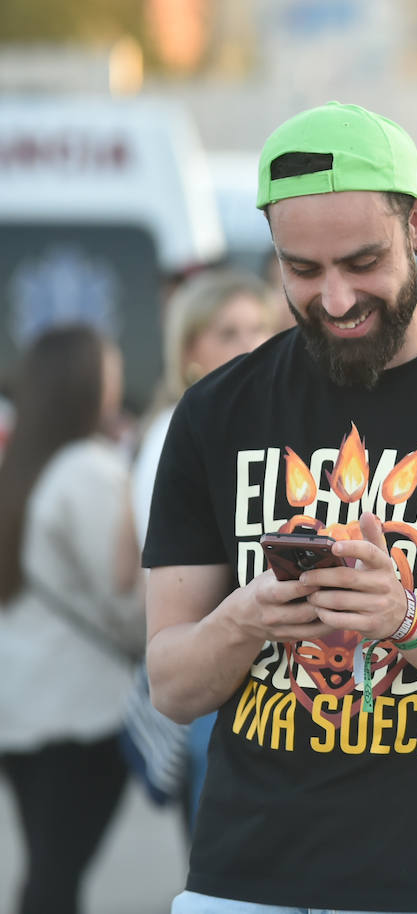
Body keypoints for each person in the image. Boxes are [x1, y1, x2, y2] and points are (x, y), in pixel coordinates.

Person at [142, 102, 417, 914]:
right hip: (245, 883)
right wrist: (245, 619)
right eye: (303, 271)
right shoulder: (216, 413)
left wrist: (407, 619)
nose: (338, 297)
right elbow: (171, 684)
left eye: (363, 261)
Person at [0, 325, 144, 914]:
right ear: (87, 383)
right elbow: (124, 600)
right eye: (110, 368)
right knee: (56, 876)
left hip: (19, 711)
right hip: (80, 714)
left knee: (47, 868)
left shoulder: (19, 466)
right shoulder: (86, 469)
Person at [129, 268, 272, 827]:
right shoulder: (177, 429)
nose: (250, 344)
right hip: (209, 666)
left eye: (259, 327)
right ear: (189, 348)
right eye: (229, 332)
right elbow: (160, 558)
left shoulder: (240, 418)